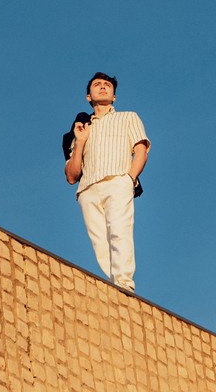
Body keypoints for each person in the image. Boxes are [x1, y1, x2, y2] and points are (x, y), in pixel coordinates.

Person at [64, 71, 150, 294]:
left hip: (117, 180)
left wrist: (128, 180)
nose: (102, 87)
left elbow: (141, 150)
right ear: (88, 97)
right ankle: (115, 286)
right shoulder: (81, 130)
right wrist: (80, 141)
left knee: (119, 231)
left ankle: (124, 283)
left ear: (114, 97)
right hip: (88, 189)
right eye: (97, 85)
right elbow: (72, 176)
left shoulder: (128, 117)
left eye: (107, 85)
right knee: (100, 243)